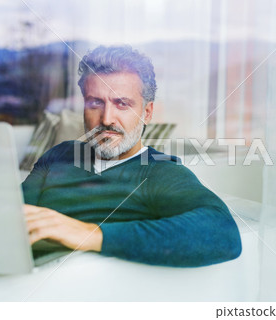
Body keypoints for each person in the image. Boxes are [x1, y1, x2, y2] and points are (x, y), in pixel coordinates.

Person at [22, 45, 241, 267]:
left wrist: (89, 234)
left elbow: (224, 233)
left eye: (122, 104)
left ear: (146, 113)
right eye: (95, 103)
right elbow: (14, 212)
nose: (107, 119)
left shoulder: (160, 171)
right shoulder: (60, 154)